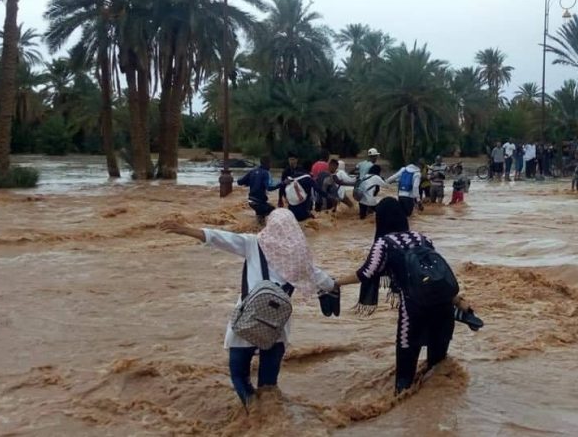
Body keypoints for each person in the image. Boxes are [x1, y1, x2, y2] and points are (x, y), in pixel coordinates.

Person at [159, 210, 337, 407]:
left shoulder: (254, 243)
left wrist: (185, 230)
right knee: (269, 386)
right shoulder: (300, 258)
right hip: (277, 326)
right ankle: (270, 415)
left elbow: (220, 238)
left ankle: (252, 410)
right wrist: (354, 280)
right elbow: (327, 283)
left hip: (247, 320)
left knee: (239, 375)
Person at [333, 198, 482, 394]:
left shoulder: (384, 243)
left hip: (414, 311)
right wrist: (461, 303)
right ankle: (437, 412)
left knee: (404, 377)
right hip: (443, 309)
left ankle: (403, 415)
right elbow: (437, 277)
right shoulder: (423, 238)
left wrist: (334, 283)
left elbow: (366, 273)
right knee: (437, 369)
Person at [238, 156, 281, 224]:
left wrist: (249, 182)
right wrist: (282, 183)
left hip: (251, 201)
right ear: (267, 163)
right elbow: (269, 187)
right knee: (273, 211)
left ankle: (258, 227)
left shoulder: (252, 171)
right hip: (259, 202)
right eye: (270, 164)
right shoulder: (266, 173)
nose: (271, 165)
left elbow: (239, 182)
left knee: (260, 216)